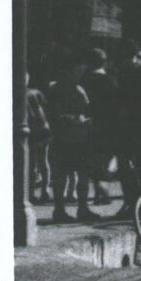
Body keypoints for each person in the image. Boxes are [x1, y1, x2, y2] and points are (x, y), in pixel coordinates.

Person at [48, 59, 98, 224]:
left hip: (80, 138)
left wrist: (86, 120)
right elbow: (54, 114)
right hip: (63, 138)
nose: (79, 75)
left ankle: (82, 208)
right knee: (60, 176)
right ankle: (60, 209)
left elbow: (87, 108)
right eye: (77, 71)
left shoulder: (79, 90)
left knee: (83, 175)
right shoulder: (56, 90)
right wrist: (73, 119)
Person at [114, 45, 141, 218]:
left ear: (134, 57)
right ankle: (131, 202)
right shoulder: (122, 74)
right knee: (126, 167)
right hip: (126, 127)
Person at [78, 47, 119, 205]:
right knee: (107, 158)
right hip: (107, 124)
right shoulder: (110, 80)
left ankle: (97, 190)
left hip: (89, 123)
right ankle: (103, 186)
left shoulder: (84, 80)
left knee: (93, 157)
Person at [26, 72, 52, 203]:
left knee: (31, 164)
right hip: (43, 128)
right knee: (43, 161)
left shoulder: (20, 94)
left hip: (30, 130)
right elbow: (45, 106)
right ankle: (45, 190)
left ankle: (30, 193)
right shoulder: (36, 92)